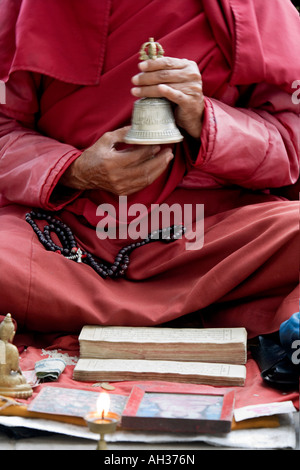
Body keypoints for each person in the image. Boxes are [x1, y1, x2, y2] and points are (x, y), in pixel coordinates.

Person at [0, 0, 299, 339]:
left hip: (209, 235)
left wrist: (203, 119)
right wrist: (74, 170)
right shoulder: (30, 7)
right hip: (67, 234)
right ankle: (208, 316)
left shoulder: (258, 7)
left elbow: (292, 142)